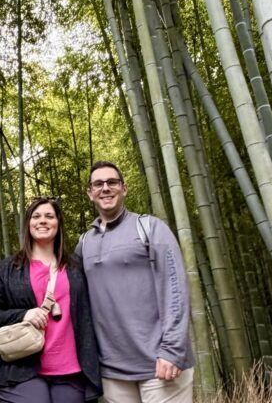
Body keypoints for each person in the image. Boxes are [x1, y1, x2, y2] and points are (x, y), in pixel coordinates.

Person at [76, 161, 194, 403]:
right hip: (111, 372)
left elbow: (175, 290)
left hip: (159, 364)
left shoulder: (150, 228)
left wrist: (172, 350)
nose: (105, 188)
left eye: (112, 182)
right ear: (90, 193)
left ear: (124, 188)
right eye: (98, 184)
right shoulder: (84, 243)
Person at [0, 196, 102, 402]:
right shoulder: (7, 269)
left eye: (49, 216)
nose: (43, 221)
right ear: (28, 224)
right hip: (22, 368)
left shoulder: (77, 267)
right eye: (36, 216)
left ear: (58, 223)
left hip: (70, 369)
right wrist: (24, 314)